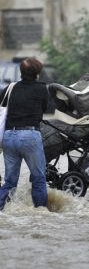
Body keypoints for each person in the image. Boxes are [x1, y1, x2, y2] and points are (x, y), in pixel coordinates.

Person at [0, 57, 48, 210]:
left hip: (8, 137)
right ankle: (41, 214)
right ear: (37, 74)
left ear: (21, 72)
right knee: (39, 179)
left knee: (9, 182)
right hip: (29, 136)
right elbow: (45, 109)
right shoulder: (42, 88)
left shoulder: (10, 88)